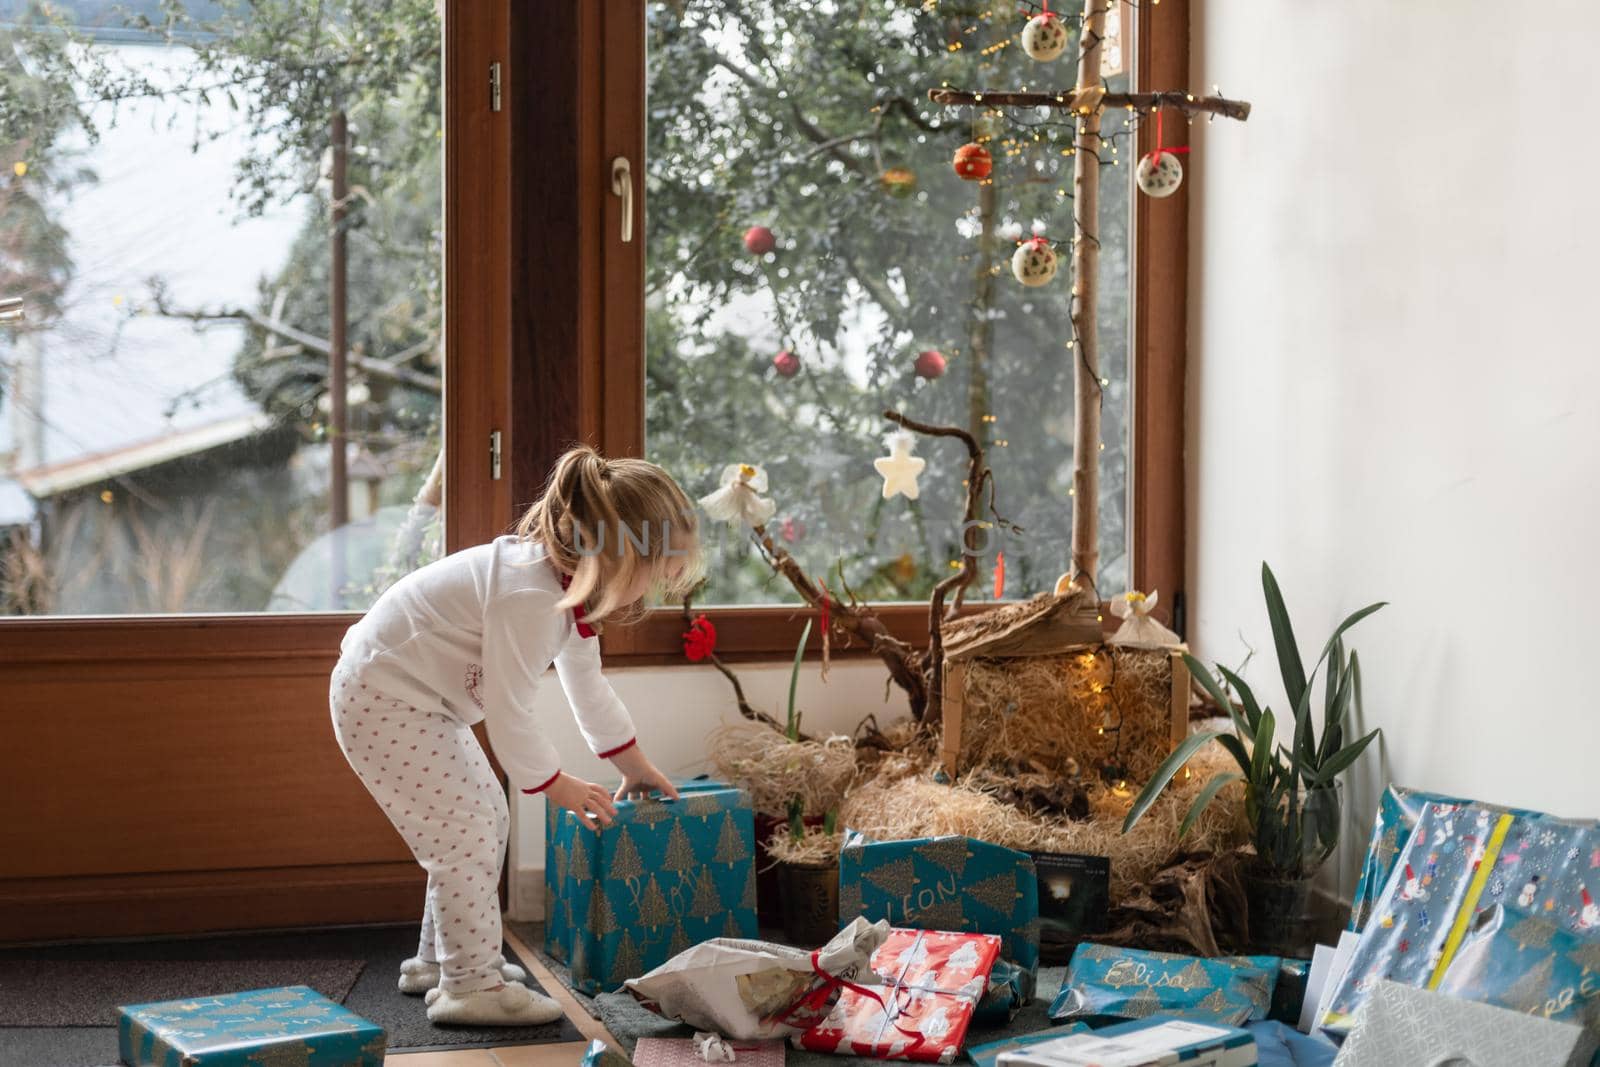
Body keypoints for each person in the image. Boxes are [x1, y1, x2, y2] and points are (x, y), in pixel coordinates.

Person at [331, 445, 700, 1025]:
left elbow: (588, 687)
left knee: (481, 820)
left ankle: (442, 962)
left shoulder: (568, 588)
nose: (650, 594)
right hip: (383, 698)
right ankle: (469, 986)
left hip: (415, 701)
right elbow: (510, 714)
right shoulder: (531, 597)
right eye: (654, 577)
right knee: (465, 830)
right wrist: (559, 786)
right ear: (621, 556)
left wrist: (633, 763)